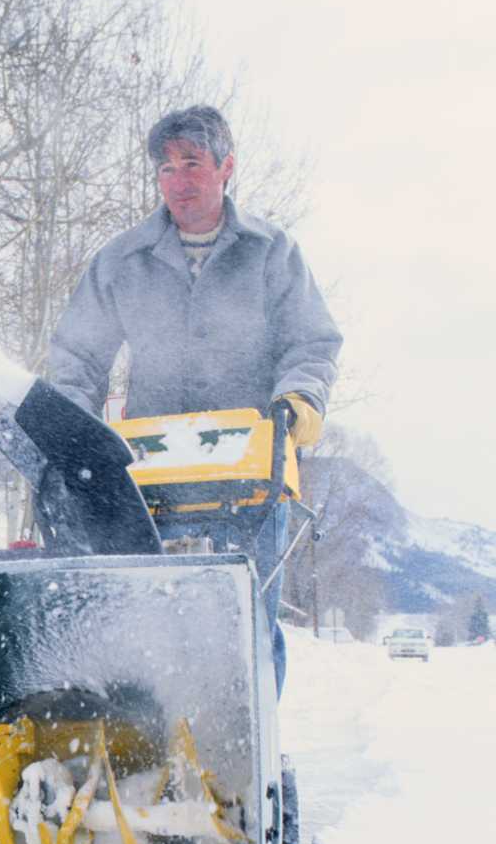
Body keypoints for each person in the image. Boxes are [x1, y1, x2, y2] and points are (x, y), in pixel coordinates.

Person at [44, 105, 342, 693]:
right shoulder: (123, 260)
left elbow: (311, 341)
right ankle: (160, 752)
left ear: (226, 167)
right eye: (165, 167)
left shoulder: (270, 252)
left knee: (249, 621)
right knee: (148, 624)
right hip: (149, 479)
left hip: (250, 478)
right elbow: (77, 357)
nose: (178, 180)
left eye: (192, 163)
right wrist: (73, 429)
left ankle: (249, 760)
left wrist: (301, 399)